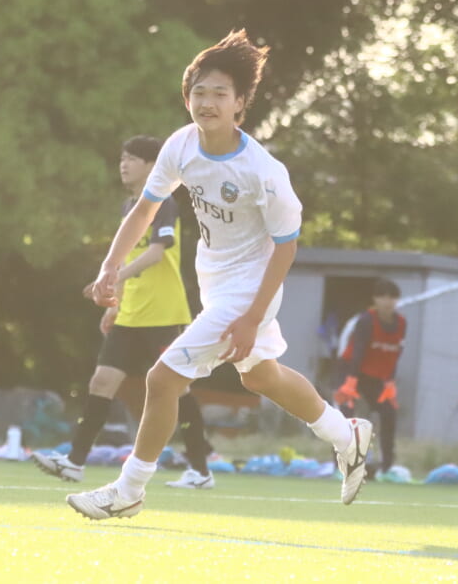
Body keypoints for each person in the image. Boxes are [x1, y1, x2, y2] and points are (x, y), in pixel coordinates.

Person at [66, 31, 372, 520]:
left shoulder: (263, 171)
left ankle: (129, 490)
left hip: (252, 287)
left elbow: (286, 247)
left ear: (240, 104)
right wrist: (110, 267)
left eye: (219, 94)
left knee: (162, 378)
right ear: (187, 98)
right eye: (199, 92)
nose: (207, 102)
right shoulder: (181, 145)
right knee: (261, 376)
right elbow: (144, 209)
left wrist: (251, 316)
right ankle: (345, 434)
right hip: (215, 281)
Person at [31, 136, 214, 489]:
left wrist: (113, 277)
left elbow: (156, 254)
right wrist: (116, 304)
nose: (123, 165)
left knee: (177, 389)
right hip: (131, 314)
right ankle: (74, 462)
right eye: (122, 158)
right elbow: (130, 255)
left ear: (152, 165)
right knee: (101, 382)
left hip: (163, 313)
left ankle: (200, 471)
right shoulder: (129, 206)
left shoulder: (164, 203)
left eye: (131, 158)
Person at [335, 279, 405, 478]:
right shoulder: (366, 320)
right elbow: (358, 351)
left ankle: (387, 468)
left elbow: (395, 353)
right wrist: (350, 382)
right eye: (383, 297)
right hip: (351, 370)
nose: (387, 302)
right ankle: (340, 467)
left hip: (376, 377)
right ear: (375, 299)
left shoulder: (401, 323)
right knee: (346, 416)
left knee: (389, 413)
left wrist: (390, 382)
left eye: (392, 297)